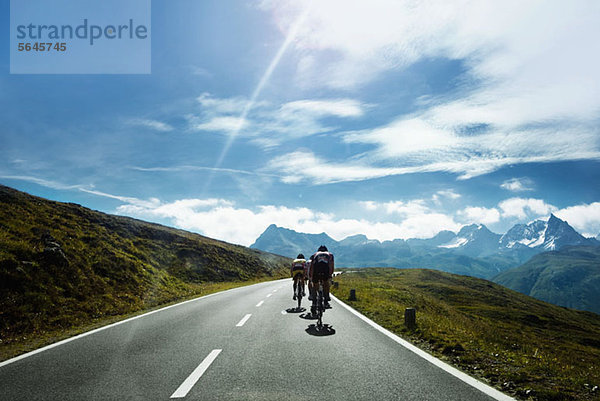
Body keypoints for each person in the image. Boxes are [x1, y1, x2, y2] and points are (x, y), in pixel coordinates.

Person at [310, 245, 334, 313]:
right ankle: (326, 299)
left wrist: (311, 276)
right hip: (325, 270)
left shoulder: (315, 254)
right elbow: (331, 265)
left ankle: (314, 303)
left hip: (316, 271)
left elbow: (312, 265)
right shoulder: (330, 254)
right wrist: (330, 275)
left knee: (315, 286)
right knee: (326, 283)